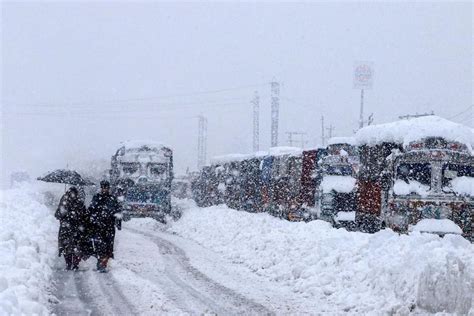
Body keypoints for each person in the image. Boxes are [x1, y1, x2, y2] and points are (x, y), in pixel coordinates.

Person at [88, 180, 122, 272]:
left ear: (108, 188)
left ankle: (103, 263)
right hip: (98, 226)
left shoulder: (112, 199)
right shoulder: (96, 198)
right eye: (103, 188)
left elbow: (118, 211)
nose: (104, 190)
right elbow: (91, 210)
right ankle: (101, 264)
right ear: (101, 188)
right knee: (99, 245)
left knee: (108, 246)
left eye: (106, 188)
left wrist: (118, 223)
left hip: (109, 227)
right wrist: (92, 220)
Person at [55, 187, 89, 271]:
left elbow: (84, 215)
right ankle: (70, 263)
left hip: (75, 228)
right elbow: (58, 214)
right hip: (68, 228)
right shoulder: (65, 201)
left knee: (75, 247)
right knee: (67, 247)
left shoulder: (79, 203)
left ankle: (74, 263)